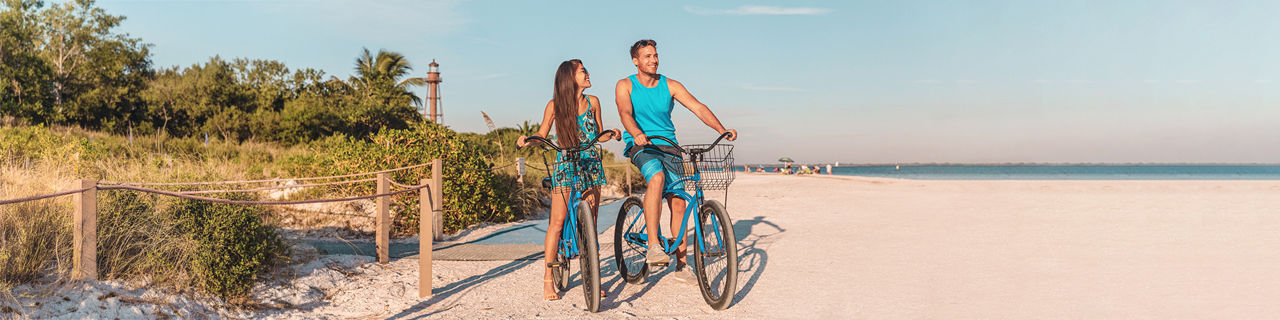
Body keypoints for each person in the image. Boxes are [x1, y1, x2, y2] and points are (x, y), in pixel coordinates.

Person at [615, 39, 737, 273]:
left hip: (669, 145)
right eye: (648, 56)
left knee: (679, 202)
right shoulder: (625, 85)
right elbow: (625, 112)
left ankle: (682, 266)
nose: (654, 60)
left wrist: (721, 129)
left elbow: (698, 107)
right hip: (641, 144)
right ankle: (653, 246)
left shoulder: (670, 85)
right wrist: (636, 133)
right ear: (635, 61)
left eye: (655, 55)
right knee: (657, 177)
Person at [517, 59, 621, 301]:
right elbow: (542, 134)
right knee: (557, 222)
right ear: (570, 77)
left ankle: (591, 277)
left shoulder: (593, 102)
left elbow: (598, 135)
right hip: (565, 164)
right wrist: (527, 140)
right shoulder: (555, 105)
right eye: (583, 71)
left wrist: (612, 134)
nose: (588, 74)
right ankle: (547, 280)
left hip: (591, 164)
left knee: (591, 223)